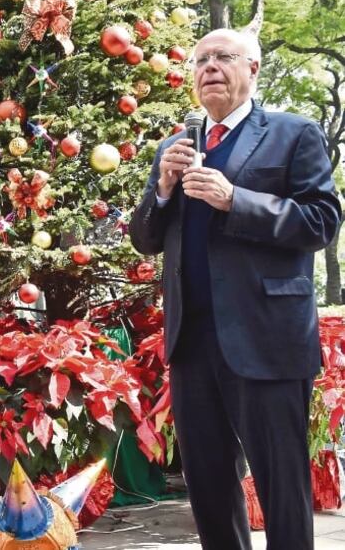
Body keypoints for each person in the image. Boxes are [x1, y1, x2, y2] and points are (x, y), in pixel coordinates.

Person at [129, 27, 342, 550]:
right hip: (192, 341)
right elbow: (144, 239)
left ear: (253, 69)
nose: (209, 68)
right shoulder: (175, 146)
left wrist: (235, 200)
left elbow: (322, 221)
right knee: (207, 484)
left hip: (265, 337)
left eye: (223, 57)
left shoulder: (294, 134)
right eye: (201, 61)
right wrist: (161, 190)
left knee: (282, 485)